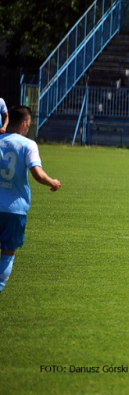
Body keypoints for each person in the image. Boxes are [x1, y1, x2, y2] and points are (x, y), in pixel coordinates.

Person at [0, 106, 62, 293]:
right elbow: (37, 173)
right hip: (14, 209)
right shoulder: (28, 144)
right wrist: (52, 182)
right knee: (8, 254)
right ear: (25, 124)